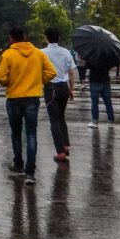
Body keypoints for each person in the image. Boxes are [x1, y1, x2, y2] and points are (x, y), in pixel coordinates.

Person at [0, 27, 56, 185]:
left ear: (11, 38)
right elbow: (51, 72)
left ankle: (18, 164)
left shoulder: (8, 54)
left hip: (14, 98)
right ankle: (30, 172)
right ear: (24, 37)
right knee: (31, 134)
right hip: (32, 98)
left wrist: (11, 82)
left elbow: (1, 78)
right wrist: (38, 81)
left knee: (16, 133)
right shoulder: (38, 53)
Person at [41, 28, 76, 163]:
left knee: (54, 120)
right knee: (61, 116)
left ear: (46, 38)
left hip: (51, 88)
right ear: (59, 38)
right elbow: (71, 73)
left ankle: (60, 152)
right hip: (63, 87)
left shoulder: (42, 53)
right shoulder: (66, 52)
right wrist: (71, 89)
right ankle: (65, 145)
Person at [87, 56, 117, 128]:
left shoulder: (92, 56)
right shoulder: (107, 56)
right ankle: (111, 121)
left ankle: (95, 121)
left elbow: (86, 66)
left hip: (94, 80)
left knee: (95, 102)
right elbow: (110, 66)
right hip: (105, 80)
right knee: (108, 102)